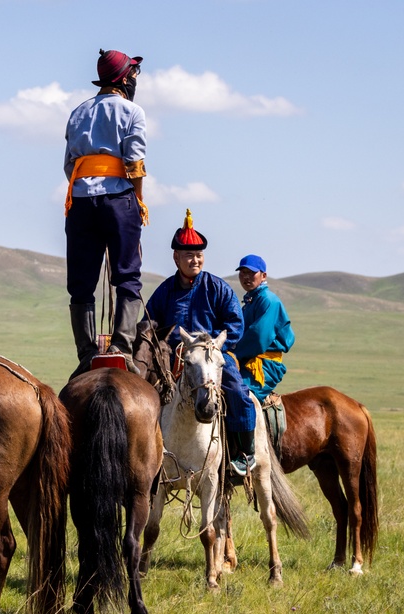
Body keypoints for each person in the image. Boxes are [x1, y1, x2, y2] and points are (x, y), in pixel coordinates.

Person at [144, 210, 257, 476]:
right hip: (174, 358)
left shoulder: (217, 288)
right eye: (189, 255)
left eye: (199, 255)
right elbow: (150, 323)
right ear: (176, 257)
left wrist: (214, 346)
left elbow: (235, 325)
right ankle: (143, 454)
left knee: (238, 391)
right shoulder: (164, 292)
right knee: (142, 395)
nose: (195, 260)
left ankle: (245, 452)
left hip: (212, 356)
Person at [63, 48, 149, 378]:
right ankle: (121, 348)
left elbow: (70, 163)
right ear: (124, 78)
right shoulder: (132, 112)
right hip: (119, 200)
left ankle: (86, 353)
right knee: (127, 275)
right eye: (134, 75)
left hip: (81, 203)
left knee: (81, 283)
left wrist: (86, 188)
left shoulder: (77, 113)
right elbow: (134, 164)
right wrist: (138, 200)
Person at [234, 254, 295, 403]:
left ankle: (247, 427)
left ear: (263, 275)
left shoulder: (268, 300)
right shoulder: (250, 301)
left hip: (264, 365)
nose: (246, 277)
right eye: (243, 273)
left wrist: (234, 353)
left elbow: (258, 337)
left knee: (239, 395)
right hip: (247, 360)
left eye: (251, 273)